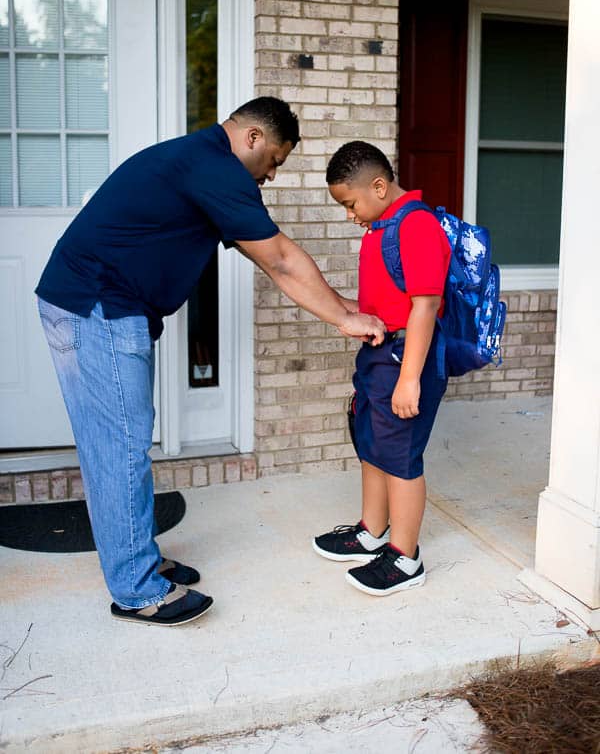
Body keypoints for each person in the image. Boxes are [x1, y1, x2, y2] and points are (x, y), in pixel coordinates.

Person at [36, 98, 385, 626]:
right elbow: (282, 260)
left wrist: (340, 309)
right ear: (251, 138)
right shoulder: (215, 167)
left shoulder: (198, 164)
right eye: (275, 160)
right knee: (120, 449)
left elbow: (268, 257)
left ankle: (139, 560)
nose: (270, 175)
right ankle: (136, 590)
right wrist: (345, 318)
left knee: (121, 445)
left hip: (99, 306)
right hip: (97, 308)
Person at [313, 141, 451, 596]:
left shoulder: (416, 225)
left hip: (405, 359)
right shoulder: (381, 227)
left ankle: (406, 556)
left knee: (401, 456)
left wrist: (410, 378)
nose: (350, 214)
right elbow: (381, 304)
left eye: (351, 203)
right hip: (378, 356)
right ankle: (372, 532)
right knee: (371, 442)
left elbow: (425, 305)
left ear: (378, 185)